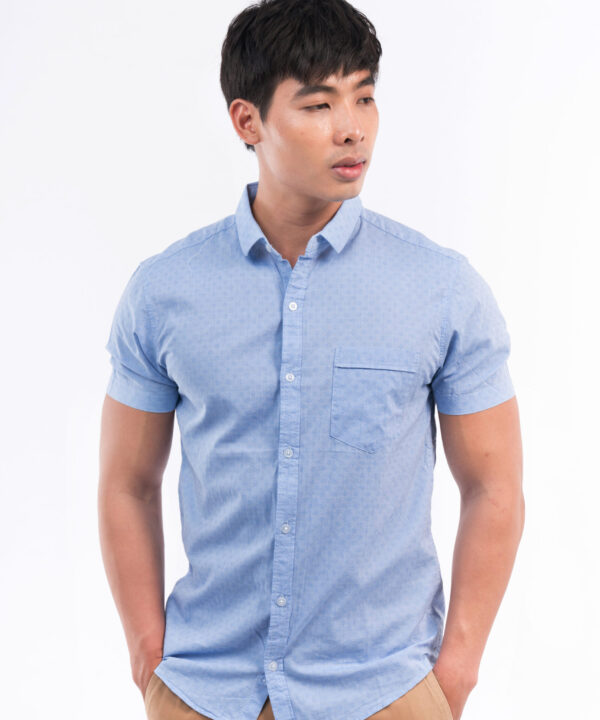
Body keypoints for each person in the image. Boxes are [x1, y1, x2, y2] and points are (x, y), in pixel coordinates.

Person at [98, 1, 524, 719]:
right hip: (208, 690)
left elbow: (495, 488)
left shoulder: (441, 289)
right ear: (247, 121)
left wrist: (455, 672)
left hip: (383, 691)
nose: (352, 127)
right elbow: (126, 483)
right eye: (320, 104)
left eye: (365, 97)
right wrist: (149, 656)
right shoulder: (165, 292)